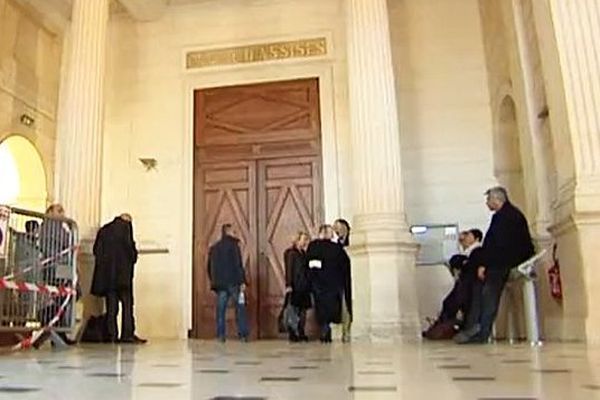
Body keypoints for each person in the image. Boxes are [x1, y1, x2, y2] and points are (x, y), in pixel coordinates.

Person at [458, 187, 534, 344]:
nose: (487, 203)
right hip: (504, 260)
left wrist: (485, 265)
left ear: (496, 199)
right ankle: (476, 327)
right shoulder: (506, 215)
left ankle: (481, 331)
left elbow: (497, 246)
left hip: (506, 262)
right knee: (480, 288)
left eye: (488, 200)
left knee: (488, 291)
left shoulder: (506, 217)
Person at [91, 214, 146, 344]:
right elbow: (130, 252)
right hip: (123, 277)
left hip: (108, 277)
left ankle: (111, 335)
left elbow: (96, 250)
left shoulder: (104, 230)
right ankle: (127, 334)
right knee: (127, 306)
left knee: (111, 308)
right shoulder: (125, 229)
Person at [423, 229, 484, 340]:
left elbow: (467, 265)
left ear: (476, 238)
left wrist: (463, 263)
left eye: (469, 236)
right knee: (450, 303)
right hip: (463, 284)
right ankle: (441, 328)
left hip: (468, 285)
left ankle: (444, 329)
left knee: (457, 305)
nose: (465, 238)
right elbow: (456, 262)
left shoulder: (477, 251)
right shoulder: (466, 252)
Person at [207, 224, 249, 342]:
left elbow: (209, 267)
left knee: (221, 310)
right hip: (234, 282)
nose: (236, 233)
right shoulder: (234, 246)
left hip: (220, 284)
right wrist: (242, 281)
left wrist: (213, 280)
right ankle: (242, 334)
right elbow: (238, 265)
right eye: (234, 231)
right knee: (240, 308)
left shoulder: (214, 248)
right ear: (228, 232)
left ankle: (221, 335)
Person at [306, 224, 346, 343]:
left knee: (321, 308)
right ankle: (328, 329)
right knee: (331, 308)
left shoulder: (314, 246)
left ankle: (325, 329)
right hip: (333, 283)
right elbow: (342, 266)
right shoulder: (336, 248)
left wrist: (312, 278)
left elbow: (310, 264)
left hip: (318, 283)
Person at [284, 231, 311, 342]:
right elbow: (289, 270)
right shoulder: (291, 253)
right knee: (294, 310)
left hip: (304, 285)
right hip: (295, 285)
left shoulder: (304, 254)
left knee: (303, 310)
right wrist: (289, 284)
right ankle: (293, 332)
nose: (305, 242)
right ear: (297, 240)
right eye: (303, 239)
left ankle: (301, 331)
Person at [333, 219, 352, 342]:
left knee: (350, 303)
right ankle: (345, 331)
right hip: (341, 277)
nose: (336, 231)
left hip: (350, 275)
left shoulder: (352, 239)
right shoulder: (337, 243)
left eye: (338, 228)